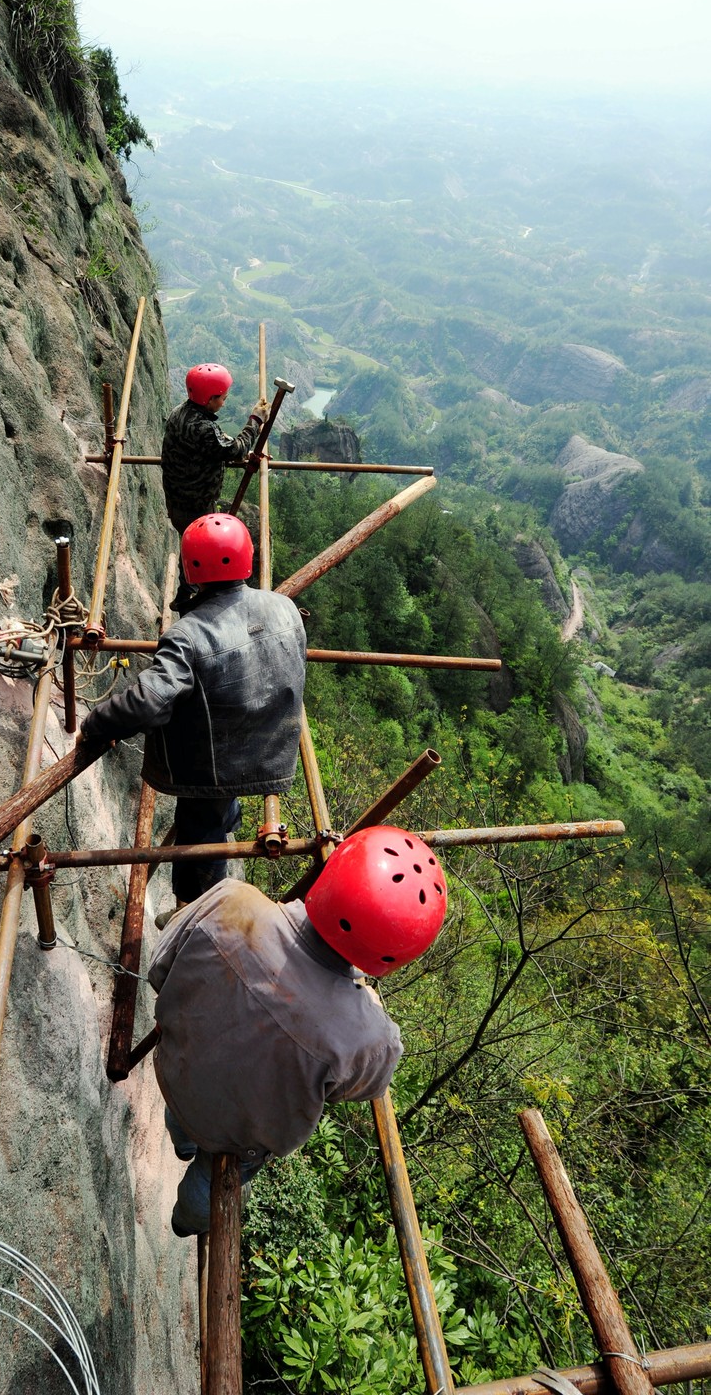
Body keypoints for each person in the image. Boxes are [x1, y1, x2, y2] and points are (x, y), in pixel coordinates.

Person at [147, 825, 448, 1236]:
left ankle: (182, 1139)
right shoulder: (368, 1038)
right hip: (237, 1138)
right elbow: (365, 1088)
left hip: (176, 1072)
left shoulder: (232, 898)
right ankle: (184, 1222)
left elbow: (158, 971)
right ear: (395, 953)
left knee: (187, 1106)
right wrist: (369, 1011)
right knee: (211, 1177)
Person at [78, 513, 306, 910]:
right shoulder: (285, 607)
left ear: (190, 568)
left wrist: (95, 725)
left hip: (215, 766)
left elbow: (150, 701)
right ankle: (223, 832)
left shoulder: (190, 633)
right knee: (217, 815)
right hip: (269, 750)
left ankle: (193, 910)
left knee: (198, 840)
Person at [161, 363, 267, 609]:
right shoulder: (203, 428)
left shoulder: (180, 412)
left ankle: (183, 594)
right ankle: (198, 603)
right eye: (221, 398)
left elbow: (217, 445)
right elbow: (234, 449)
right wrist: (255, 421)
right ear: (208, 399)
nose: (224, 402)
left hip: (177, 498)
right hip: (195, 503)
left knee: (190, 541)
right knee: (202, 549)